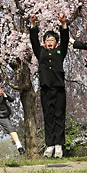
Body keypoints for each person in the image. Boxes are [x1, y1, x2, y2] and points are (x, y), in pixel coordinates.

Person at [29, 13, 69, 158]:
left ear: (56, 42)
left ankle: (58, 145)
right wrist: (33, 25)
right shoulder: (41, 52)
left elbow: (65, 39)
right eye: (47, 40)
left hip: (59, 88)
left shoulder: (60, 51)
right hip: (45, 88)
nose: (50, 41)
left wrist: (63, 24)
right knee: (48, 116)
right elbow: (33, 40)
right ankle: (49, 145)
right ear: (44, 42)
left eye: (52, 40)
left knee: (59, 116)